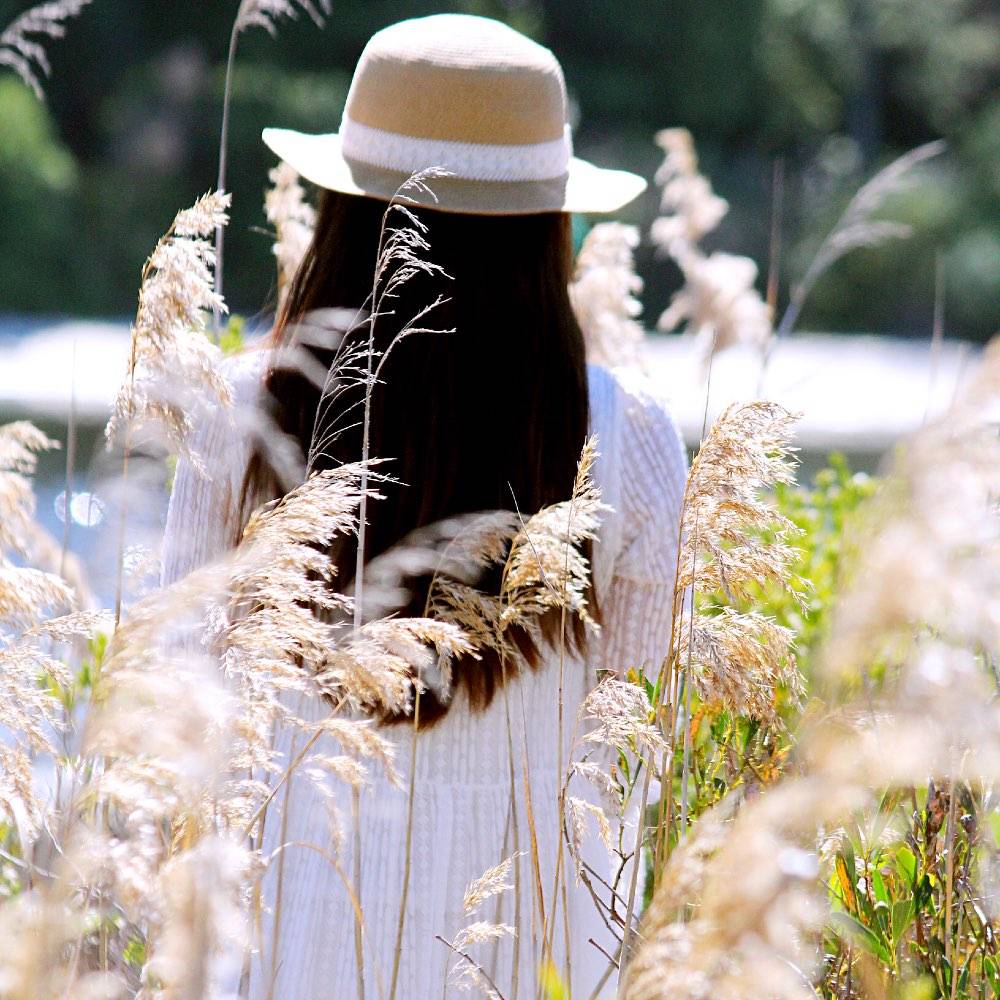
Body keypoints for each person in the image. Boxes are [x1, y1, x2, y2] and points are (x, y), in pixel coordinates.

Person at [162, 13, 687, 999]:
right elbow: (629, 755)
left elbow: (182, 717)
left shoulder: (237, 418)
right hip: (527, 958)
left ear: (345, 214)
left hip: (278, 956)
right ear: (548, 228)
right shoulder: (632, 437)